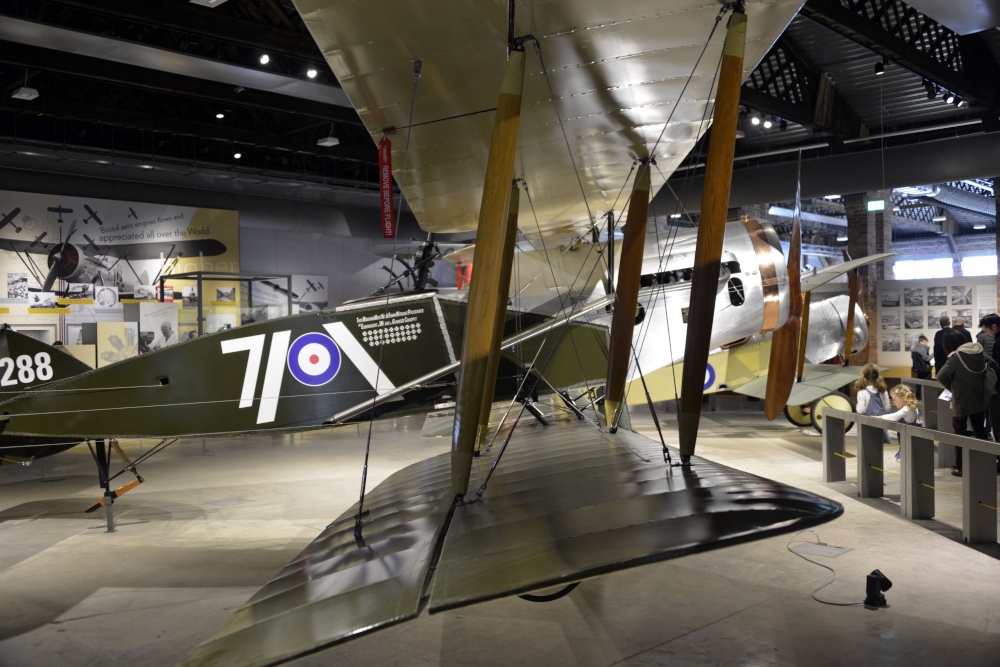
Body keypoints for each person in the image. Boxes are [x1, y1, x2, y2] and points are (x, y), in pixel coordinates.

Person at [937, 328, 997, 476]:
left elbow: (941, 375)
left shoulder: (956, 357)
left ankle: (960, 466)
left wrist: (953, 388)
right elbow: (994, 365)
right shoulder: (978, 351)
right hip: (979, 397)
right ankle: (986, 462)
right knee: (980, 431)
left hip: (961, 400)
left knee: (960, 433)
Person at [854, 363, 891, 443]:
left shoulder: (862, 392)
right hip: (880, 425)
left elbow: (861, 410)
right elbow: (887, 408)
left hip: (867, 425)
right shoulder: (883, 391)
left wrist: (857, 405)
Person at [881, 384, 919, 460]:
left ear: (902, 398)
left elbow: (893, 417)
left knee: (908, 459)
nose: (893, 402)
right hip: (906, 439)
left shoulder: (906, 409)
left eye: (894, 399)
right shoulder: (909, 407)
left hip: (908, 439)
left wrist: (879, 417)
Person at [910, 334, 931, 399]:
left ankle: (918, 397)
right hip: (925, 369)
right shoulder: (922, 349)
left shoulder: (914, 349)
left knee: (919, 383)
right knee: (927, 384)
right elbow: (926, 358)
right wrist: (934, 354)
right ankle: (927, 397)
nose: (927, 344)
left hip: (918, 369)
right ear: (924, 341)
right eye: (926, 342)